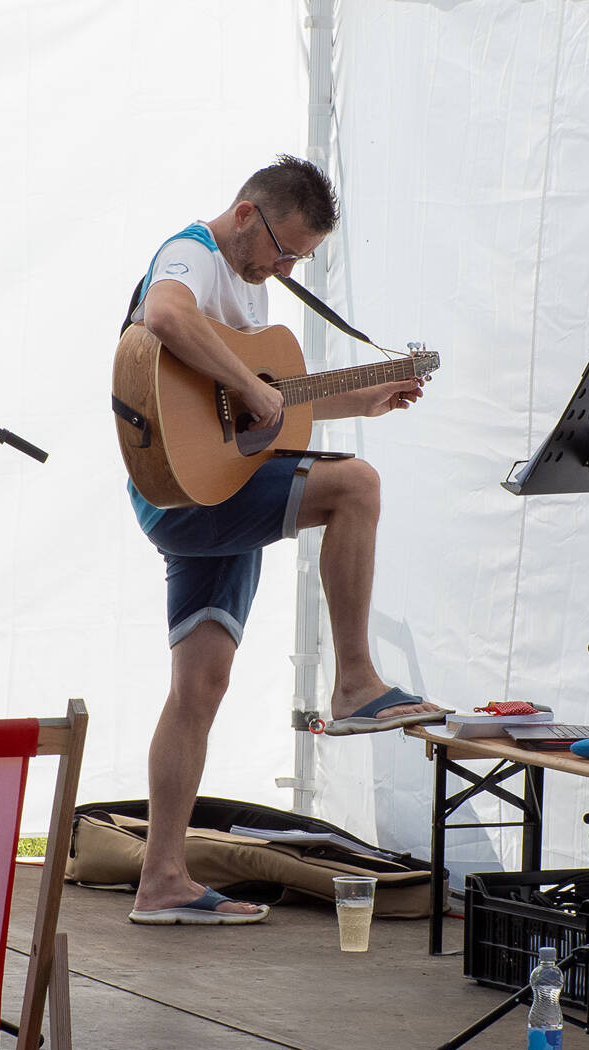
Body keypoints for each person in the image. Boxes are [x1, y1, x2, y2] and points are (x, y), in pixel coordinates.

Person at [121, 155, 444, 926]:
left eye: (298, 258)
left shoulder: (247, 288)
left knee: (199, 686)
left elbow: (256, 415)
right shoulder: (194, 254)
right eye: (283, 250)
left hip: (216, 483)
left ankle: (160, 880)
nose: (285, 268)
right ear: (245, 214)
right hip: (183, 492)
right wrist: (248, 385)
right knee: (356, 485)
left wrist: (358, 399)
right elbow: (164, 319)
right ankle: (355, 681)